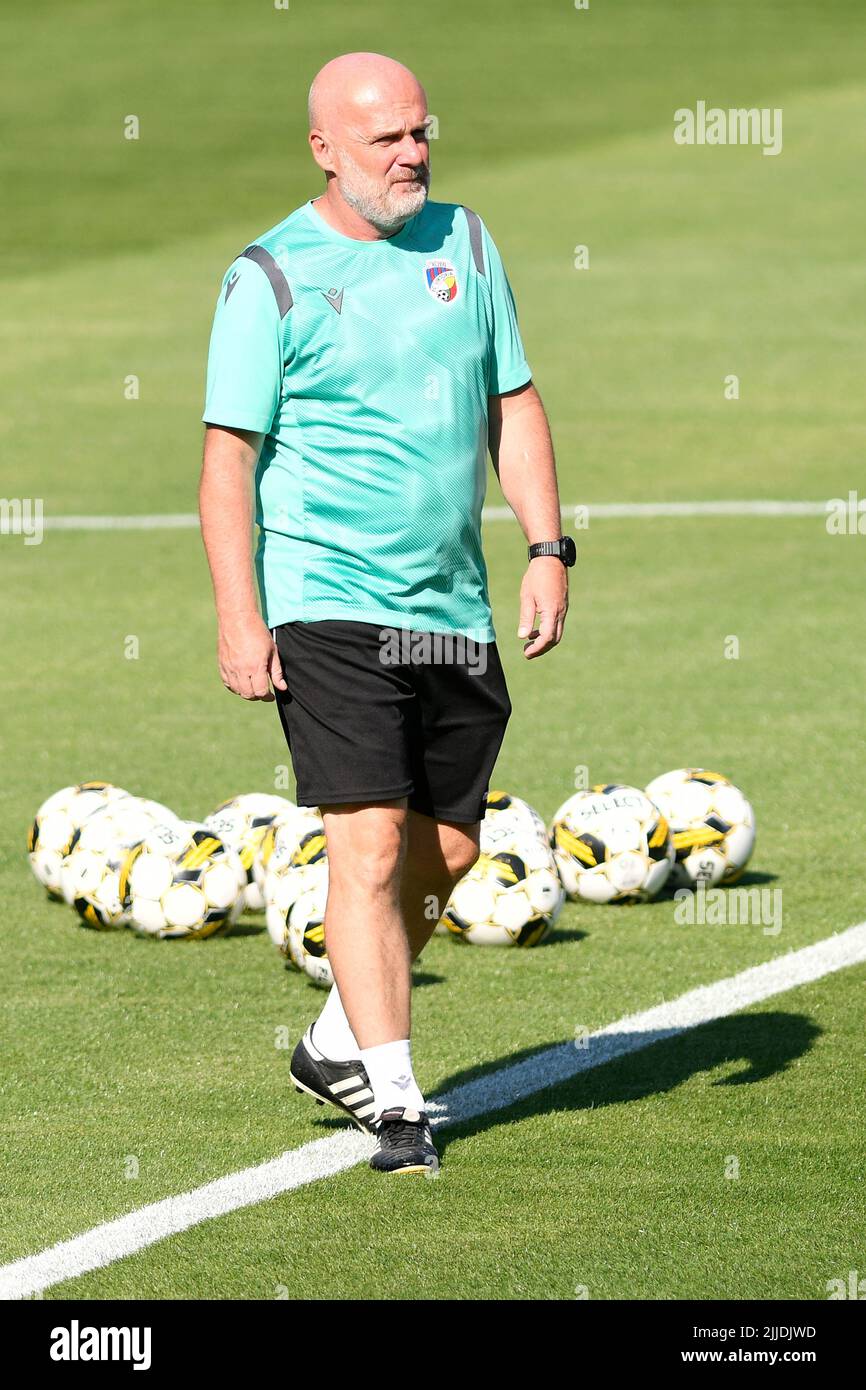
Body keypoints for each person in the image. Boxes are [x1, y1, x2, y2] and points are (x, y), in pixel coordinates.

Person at [199, 51, 572, 1175]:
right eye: (385, 140)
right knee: (360, 849)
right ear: (323, 148)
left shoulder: (464, 241)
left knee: (445, 848)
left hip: (447, 603)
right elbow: (228, 465)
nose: (411, 155)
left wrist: (547, 546)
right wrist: (240, 612)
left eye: (421, 132)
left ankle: (333, 1040)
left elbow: (512, 400)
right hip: (325, 602)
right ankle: (399, 1101)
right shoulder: (266, 277)